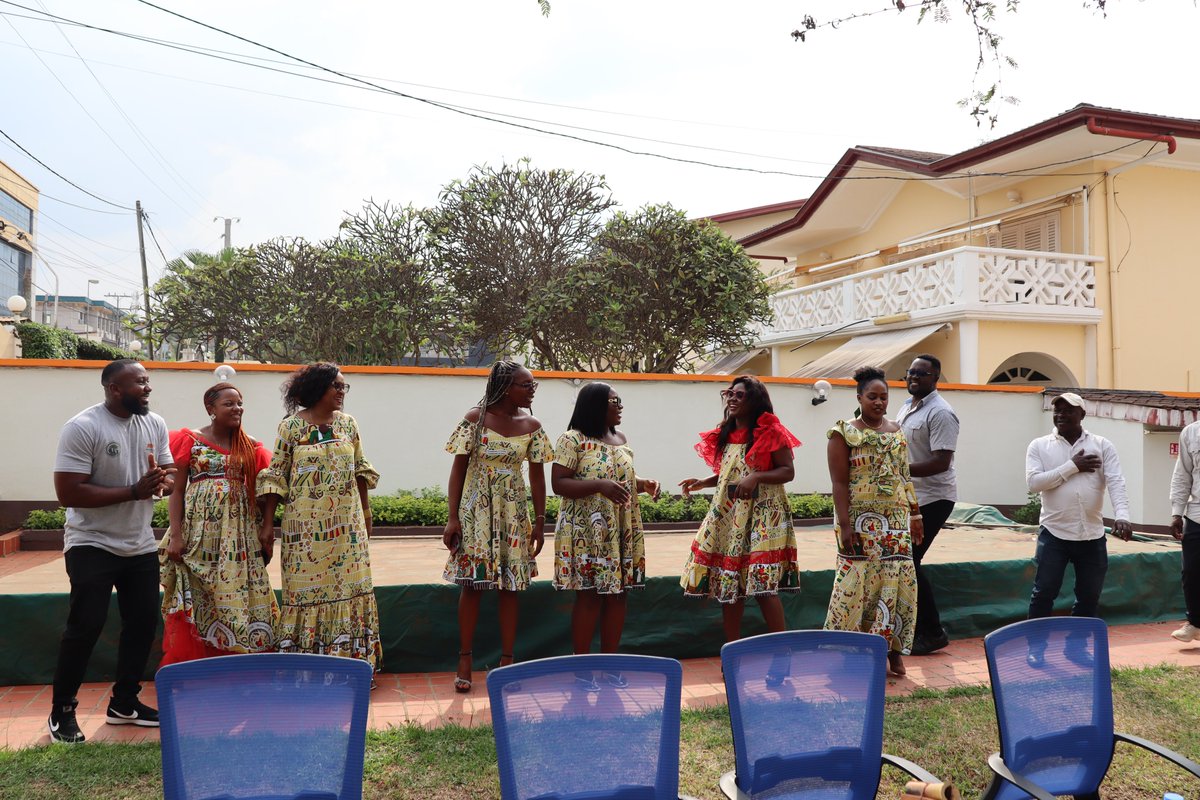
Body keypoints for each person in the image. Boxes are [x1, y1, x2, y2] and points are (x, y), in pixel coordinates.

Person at [49, 359, 176, 743]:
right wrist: (134, 491)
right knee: (85, 625)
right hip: (92, 543)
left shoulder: (154, 423)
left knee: (142, 624)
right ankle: (62, 711)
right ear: (114, 388)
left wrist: (162, 482)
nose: (147, 388)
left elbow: (169, 472)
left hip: (137, 543)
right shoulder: (83, 427)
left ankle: (124, 703)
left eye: (148, 381)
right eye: (139, 383)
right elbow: (68, 492)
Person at [257, 363, 382, 672]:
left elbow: (360, 469)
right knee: (303, 592)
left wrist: (365, 513)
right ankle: (306, 668)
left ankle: (351, 668)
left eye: (344, 387)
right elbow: (276, 476)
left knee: (352, 590)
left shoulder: (348, 425)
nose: (342, 392)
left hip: (346, 528)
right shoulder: (291, 428)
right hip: (304, 530)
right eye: (336, 386)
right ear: (317, 389)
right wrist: (267, 526)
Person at [442, 361, 553, 693]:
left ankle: (507, 661)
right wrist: (452, 517)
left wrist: (539, 521)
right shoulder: (475, 420)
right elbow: (458, 470)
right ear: (506, 386)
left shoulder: (532, 425)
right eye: (526, 384)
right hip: (476, 511)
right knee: (472, 586)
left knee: (510, 587)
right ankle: (464, 659)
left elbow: (537, 476)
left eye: (534, 384)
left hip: (513, 513)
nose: (532, 390)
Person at [679, 375, 802, 645]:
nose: (732, 399)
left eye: (740, 395)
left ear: (755, 400)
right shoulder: (726, 431)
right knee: (729, 584)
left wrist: (757, 477)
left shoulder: (770, 430)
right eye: (729, 394)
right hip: (730, 516)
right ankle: (731, 655)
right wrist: (704, 482)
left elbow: (787, 471)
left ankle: (781, 653)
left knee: (763, 588)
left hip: (763, 518)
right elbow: (728, 473)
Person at [160, 382, 278, 664]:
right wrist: (176, 536)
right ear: (210, 409)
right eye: (229, 404)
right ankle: (203, 658)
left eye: (239, 403)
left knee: (238, 590)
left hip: (239, 536)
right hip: (200, 533)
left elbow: (268, 491)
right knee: (203, 590)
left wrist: (267, 529)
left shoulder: (251, 447)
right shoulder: (190, 440)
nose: (237, 408)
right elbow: (176, 492)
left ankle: (240, 656)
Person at [552, 383, 659, 686]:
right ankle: (582, 669)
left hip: (620, 528)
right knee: (588, 596)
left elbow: (619, 478)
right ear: (597, 405)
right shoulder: (572, 439)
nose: (620, 406)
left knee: (619, 595)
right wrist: (598, 485)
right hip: (587, 530)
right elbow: (559, 483)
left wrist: (643, 483)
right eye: (615, 401)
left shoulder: (621, 439)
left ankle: (611, 666)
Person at [824, 366, 923, 677]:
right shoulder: (844, 433)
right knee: (855, 587)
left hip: (894, 521)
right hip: (858, 522)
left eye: (884, 397)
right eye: (872, 397)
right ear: (859, 397)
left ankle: (893, 651)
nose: (879, 402)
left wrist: (915, 513)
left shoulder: (896, 431)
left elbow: (904, 476)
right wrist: (845, 524)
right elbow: (839, 483)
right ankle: (851, 651)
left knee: (897, 583)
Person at [1024, 391, 1132, 667]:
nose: (1061, 415)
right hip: (1054, 532)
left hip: (1092, 533)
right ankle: (1036, 648)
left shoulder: (1101, 445)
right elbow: (1034, 483)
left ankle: (1075, 648)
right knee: (1044, 592)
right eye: (1057, 411)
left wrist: (1122, 515)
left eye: (1068, 411)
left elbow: (1116, 481)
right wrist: (1073, 466)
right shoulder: (1039, 445)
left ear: (1082, 415)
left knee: (1089, 596)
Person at [895, 354, 959, 656]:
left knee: (909, 560)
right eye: (911, 372)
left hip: (934, 497)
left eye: (922, 373)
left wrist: (897, 469)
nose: (914, 378)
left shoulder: (941, 413)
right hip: (909, 498)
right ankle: (913, 629)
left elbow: (940, 462)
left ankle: (932, 632)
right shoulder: (906, 407)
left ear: (936, 378)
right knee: (905, 560)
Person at [1169, 419, 1200, 643]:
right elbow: (1183, 474)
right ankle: (1195, 623)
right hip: (1197, 514)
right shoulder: (1191, 432)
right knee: (1191, 572)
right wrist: (1176, 513)